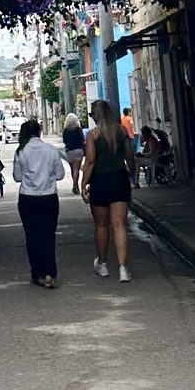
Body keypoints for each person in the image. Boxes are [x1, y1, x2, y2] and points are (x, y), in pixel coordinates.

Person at [82, 97, 135, 282]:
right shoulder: (120, 131)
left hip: (100, 181)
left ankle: (103, 264)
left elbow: (90, 161)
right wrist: (133, 173)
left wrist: (83, 184)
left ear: (95, 116)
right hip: (119, 178)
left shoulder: (93, 135)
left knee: (101, 225)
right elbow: (129, 155)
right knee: (119, 224)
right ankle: (122, 268)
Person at [12, 117, 66, 287]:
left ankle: (37, 272)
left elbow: (17, 177)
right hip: (49, 198)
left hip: (28, 199)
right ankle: (50, 272)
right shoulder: (50, 150)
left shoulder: (21, 151)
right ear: (39, 132)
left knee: (32, 236)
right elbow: (60, 175)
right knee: (48, 235)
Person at [60, 111, 86, 196]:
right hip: (78, 150)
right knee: (76, 169)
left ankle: (75, 185)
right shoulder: (79, 129)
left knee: (72, 169)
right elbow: (82, 139)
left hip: (69, 151)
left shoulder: (66, 130)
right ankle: (76, 185)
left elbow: (64, 140)